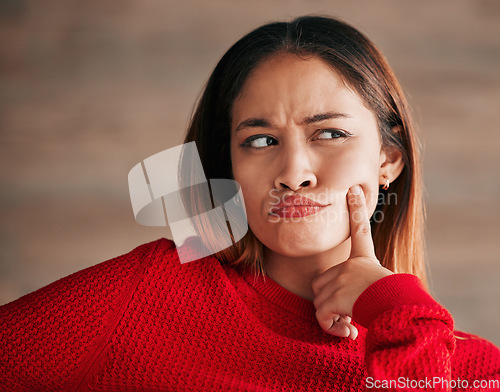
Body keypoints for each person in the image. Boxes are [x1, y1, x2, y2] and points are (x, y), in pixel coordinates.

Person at [1, 15, 499, 392]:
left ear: (389, 160)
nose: (293, 173)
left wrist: (398, 309)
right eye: (260, 141)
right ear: (228, 167)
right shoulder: (147, 294)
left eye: (329, 133)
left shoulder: (475, 371)